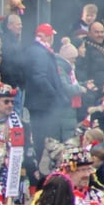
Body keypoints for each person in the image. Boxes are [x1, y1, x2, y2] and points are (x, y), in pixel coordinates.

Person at [25, 23, 70, 162]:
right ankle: (44, 167)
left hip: (42, 104)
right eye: (50, 36)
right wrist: (55, 95)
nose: (52, 39)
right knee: (45, 140)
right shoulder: (39, 52)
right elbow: (39, 77)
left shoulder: (39, 51)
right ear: (45, 37)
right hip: (43, 106)